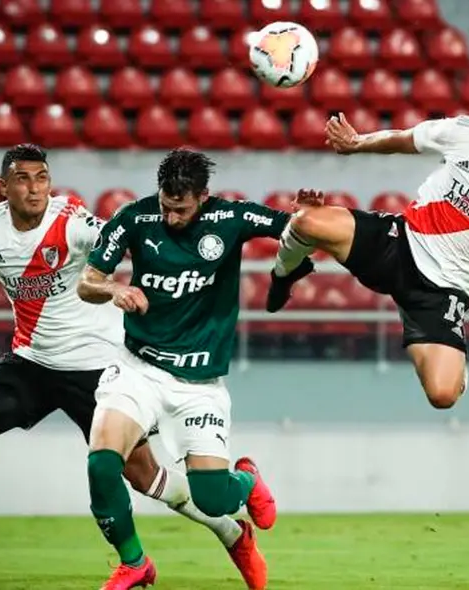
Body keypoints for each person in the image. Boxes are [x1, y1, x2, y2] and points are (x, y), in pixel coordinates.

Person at [0, 144, 268, 589]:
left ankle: (231, 531)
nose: (34, 188)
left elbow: (129, 243)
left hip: (97, 366)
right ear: (3, 186)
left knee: (145, 476)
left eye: (42, 177)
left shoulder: (73, 221)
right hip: (32, 361)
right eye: (23, 179)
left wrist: (125, 287)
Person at [264, 66, 469, 409]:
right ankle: (284, 273)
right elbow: (405, 139)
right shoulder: (465, 133)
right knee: (306, 220)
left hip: (443, 290)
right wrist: (356, 143)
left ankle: (455, 369)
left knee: (443, 396)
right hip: (400, 241)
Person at [78, 148, 291, 590]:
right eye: (165, 206)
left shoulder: (230, 218)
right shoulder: (135, 219)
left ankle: (246, 480)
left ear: (203, 197)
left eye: (182, 208)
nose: (172, 217)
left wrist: (308, 218)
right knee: (102, 462)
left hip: (199, 384)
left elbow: (292, 228)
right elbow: (87, 281)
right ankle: (135, 562)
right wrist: (114, 289)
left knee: (213, 500)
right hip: (138, 368)